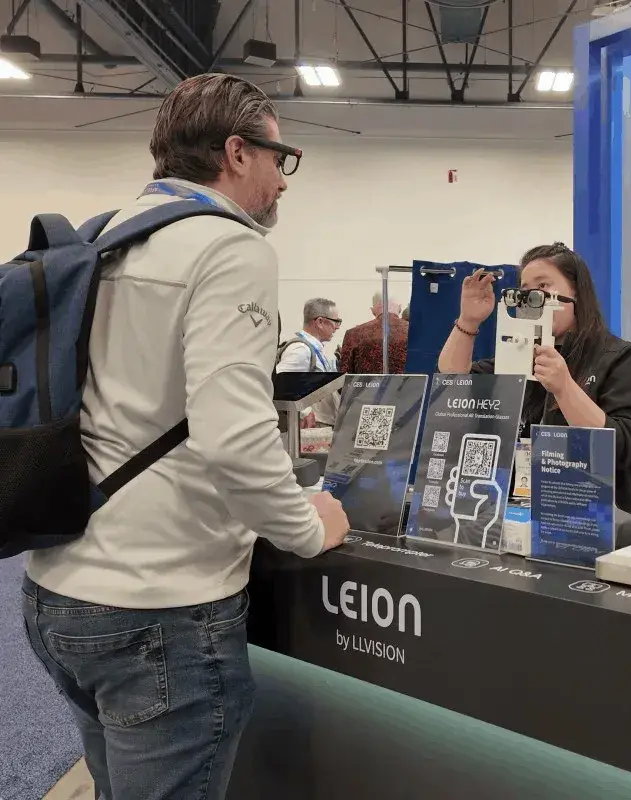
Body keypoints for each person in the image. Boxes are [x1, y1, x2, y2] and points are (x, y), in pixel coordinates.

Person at [21, 74, 350, 800]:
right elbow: (233, 436)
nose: (282, 180)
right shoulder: (227, 247)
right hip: (158, 609)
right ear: (236, 152)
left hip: (57, 587)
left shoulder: (104, 236)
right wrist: (307, 525)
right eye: (279, 157)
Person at [438, 243, 631, 512]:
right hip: (519, 511)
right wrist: (469, 321)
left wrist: (565, 389)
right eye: (525, 289)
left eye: (543, 286)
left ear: (576, 292)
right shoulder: (519, 356)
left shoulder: (623, 358)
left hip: (592, 515)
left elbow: (624, 447)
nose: (532, 298)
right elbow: (452, 379)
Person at [278, 297, 342, 426]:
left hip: (319, 425)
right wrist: (304, 411)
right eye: (336, 321)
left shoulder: (312, 349)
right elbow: (280, 383)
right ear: (320, 322)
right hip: (310, 427)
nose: (337, 327)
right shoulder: (300, 350)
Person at [339, 291, 409, 374]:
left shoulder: (353, 334)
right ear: (400, 308)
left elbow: (344, 376)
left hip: (367, 387)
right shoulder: (417, 332)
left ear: (372, 310)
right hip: (410, 386)